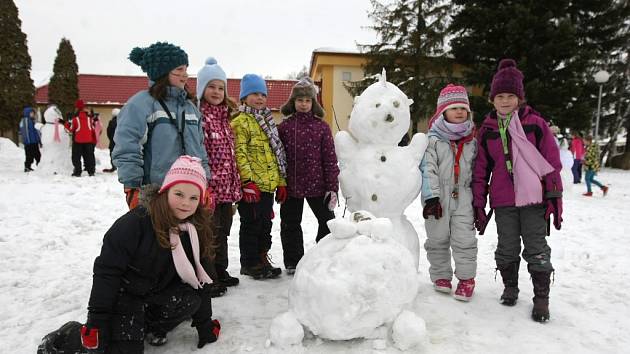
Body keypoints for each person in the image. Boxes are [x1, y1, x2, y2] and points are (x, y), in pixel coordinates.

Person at [79, 156, 220, 352]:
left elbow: (201, 278)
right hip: (126, 299)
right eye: (179, 194)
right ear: (165, 191)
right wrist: (96, 322)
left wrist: (205, 325)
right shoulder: (136, 223)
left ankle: (153, 327)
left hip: (157, 299)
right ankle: (65, 340)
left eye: (193, 197)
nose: (186, 203)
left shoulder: (195, 229)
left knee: (191, 299)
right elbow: (107, 273)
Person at [472, 59, 562, 322]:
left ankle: (541, 299)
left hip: (534, 199)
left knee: (536, 247)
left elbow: (552, 163)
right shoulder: (487, 129)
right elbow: (480, 169)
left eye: (511, 95)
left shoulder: (535, 124)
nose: (505, 101)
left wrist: (554, 198)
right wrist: (479, 203)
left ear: (520, 98)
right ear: (492, 99)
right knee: (507, 247)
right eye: (500, 96)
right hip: (503, 200)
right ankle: (510, 287)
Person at [112, 41, 211, 209]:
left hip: (190, 191)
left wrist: (204, 181)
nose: (185, 75)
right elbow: (128, 147)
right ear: (162, 72)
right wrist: (132, 186)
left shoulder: (190, 108)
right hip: (156, 192)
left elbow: (200, 149)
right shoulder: (141, 104)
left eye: (186, 69)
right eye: (179, 69)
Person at [420, 84, 477, 301]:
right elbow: (428, 168)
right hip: (437, 197)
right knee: (437, 238)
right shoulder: (432, 140)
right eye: (454, 108)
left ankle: (466, 279)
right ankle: (441, 275)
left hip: (464, 196)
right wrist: (432, 196)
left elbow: (477, 170)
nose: (459, 112)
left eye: (463, 108)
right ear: (442, 112)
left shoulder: (472, 140)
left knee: (465, 239)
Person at [278, 77, 339, 274]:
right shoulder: (285, 127)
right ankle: (293, 261)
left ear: (313, 103)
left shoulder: (322, 127)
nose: (303, 104)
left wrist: (332, 187)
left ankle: (323, 256)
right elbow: (278, 156)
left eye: (307, 100)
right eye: (299, 100)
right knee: (290, 223)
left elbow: (330, 158)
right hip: (291, 185)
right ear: (293, 102)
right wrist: (280, 182)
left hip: (317, 185)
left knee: (327, 221)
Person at [231, 73, 287, 280]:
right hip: (252, 186)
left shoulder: (267, 122)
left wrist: (281, 182)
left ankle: (262, 258)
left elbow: (276, 154)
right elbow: (239, 153)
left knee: (265, 224)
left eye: (263, 94)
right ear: (244, 97)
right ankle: (249, 262)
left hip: (268, 186)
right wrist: (247, 181)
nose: (260, 98)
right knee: (251, 224)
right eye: (254, 93)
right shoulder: (241, 122)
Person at [196, 57, 242, 296]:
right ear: (202, 89)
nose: (216, 91)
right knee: (209, 233)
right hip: (209, 188)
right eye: (211, 86)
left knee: (223, 231)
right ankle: (208, 277)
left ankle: (220, 270)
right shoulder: (199, 116)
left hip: (227, 188)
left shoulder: (226, 116)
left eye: (220, 87)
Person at [60, 99, 96, 177]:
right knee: (89, 156)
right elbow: (93, 129)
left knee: (76, 157)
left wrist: (64, 123)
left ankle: (77, 172)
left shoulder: (75, 119)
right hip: (89, 141)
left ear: (77, 108)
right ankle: (91, 171)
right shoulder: (89, 119)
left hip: (78, 141)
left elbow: (71, 129)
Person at [18, 106, 42, 172]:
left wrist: (39, 141)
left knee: (37, 154)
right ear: (27, 113)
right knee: (29, 155)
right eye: (31, 113)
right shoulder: (25, 121)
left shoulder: (32, 121)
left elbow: (36, 132)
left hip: (34, 142)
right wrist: (27, 141)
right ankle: (27, 167)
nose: (33, 114)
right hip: (29, 143)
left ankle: (40, 166)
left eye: (33, 113)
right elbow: (24, 131)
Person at [103, 108, 119, 173]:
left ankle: (114, 166)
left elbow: (108, 132)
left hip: (113, 142)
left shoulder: (111, 122)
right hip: (121, 142)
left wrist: (111, 139)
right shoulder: (123, 122)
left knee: (112, 154)